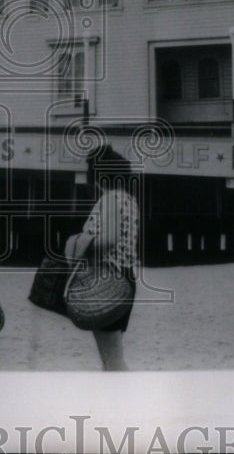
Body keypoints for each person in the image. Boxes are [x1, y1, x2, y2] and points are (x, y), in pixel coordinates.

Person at [64, 145, 140, 371]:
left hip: (106, 278)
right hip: (125, 277)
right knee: (113, 353)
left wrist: (79, 241)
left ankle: (123, 402)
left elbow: (109, 239)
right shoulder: (129, 201)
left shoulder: (109, 199)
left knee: (112, 357)